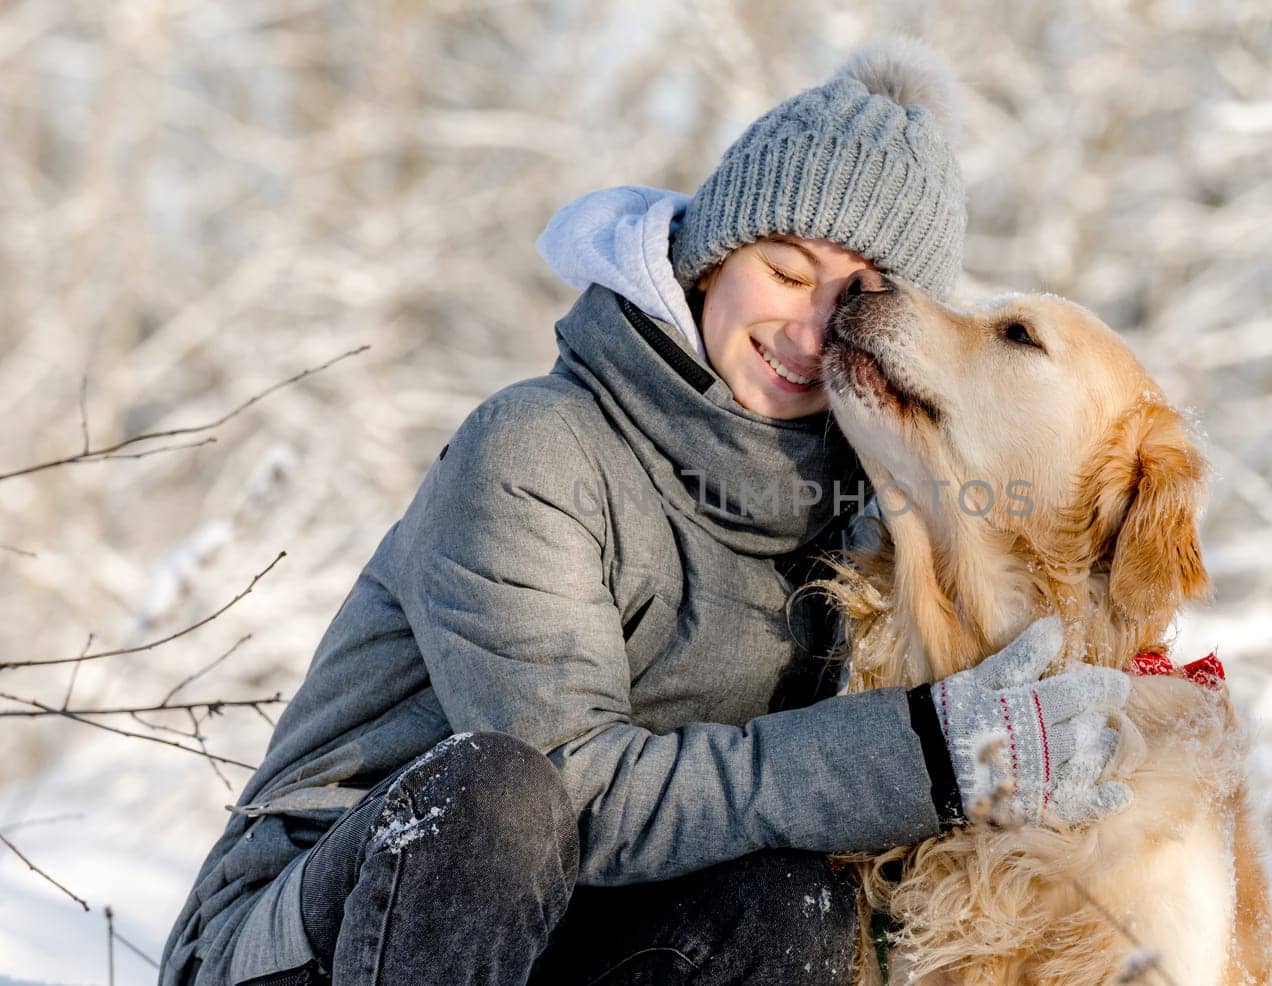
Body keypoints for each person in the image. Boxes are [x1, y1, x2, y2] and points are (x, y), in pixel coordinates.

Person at [158, 36, 1134, 986]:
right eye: (787, 272)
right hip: (314, 930)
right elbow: (571, 793)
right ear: (711, 256)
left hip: (575, 930)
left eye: (855, 299)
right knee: (500, 795)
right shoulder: (539, 448)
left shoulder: (866, 514)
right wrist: (921, 747)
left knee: (792, 897)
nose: (807, 327)